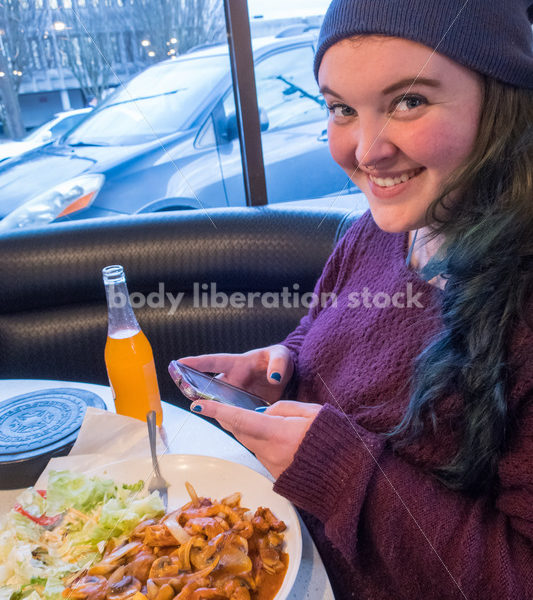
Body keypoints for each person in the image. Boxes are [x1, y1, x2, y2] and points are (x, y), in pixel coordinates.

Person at [178, 1, 533, 597]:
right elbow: (315, 332)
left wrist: (342, 471)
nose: (366, 152)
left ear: (501, 102)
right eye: (342, 109)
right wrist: (279, 366)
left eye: (409, 101)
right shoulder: (378, 229)